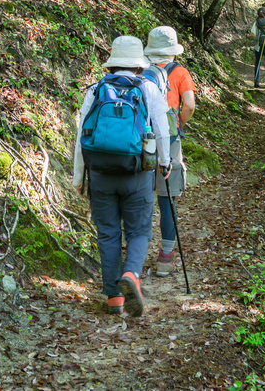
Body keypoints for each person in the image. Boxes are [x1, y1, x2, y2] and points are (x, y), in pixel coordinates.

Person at [73, 36, 171, 317]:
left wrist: (79, 177)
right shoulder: (149, 88)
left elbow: (81, 135)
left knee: (108, 233)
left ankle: (114, 299)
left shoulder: (95, 89)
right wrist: (164, 163)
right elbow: (162, 131)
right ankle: (132, 274)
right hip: (137, 173)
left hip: (100, 173)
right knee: (139, 230)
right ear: (139, 64)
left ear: (112, 63)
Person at [144, 26, 197, 277]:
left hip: (142, 141)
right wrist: (178, 125)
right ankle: (165, 258)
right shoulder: (180, 72)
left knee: (141, 195)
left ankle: (135, 254)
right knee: (167, 197)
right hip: (170, 139)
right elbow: (189, 105)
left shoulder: (140, 71)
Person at [249, 7, 265, 90]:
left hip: (259, 46)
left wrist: (247, 36)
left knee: (258, 63)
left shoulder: (256, 23)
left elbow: (253, 35)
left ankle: (256, 82)